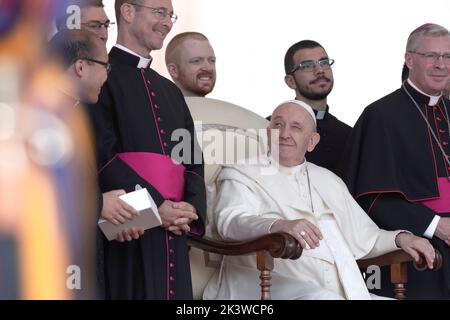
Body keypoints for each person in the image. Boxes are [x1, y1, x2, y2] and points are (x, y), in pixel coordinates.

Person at [203, 100, 435, 300]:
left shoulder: (328, 180)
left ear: (312, 141)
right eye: (278, 125)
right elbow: (230, 223)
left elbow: (364, 237)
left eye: (296, 127)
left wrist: (401, 238)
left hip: (336, 289)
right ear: (267, 133)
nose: (284, 134)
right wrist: (278, 226)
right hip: (265, 284)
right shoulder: (241, 173)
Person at [87, 0, 206, 300]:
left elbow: (191, 158)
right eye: (159, 13)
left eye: (170, 15)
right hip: (128, 228)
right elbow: (101, 154)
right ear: (128, 12)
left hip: (174, 230)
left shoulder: (169, 91)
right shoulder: (100, 78)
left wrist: (190, 209)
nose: (167, 22)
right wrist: (155, 205)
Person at [340, 23, 450, 299]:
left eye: (447, 57)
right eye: (431, 56)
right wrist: (437, 225)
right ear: (409, 59)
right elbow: (371, 198)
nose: (441, 65)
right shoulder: (380, 116)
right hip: (416, 247)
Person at [278, 40, 351, 176]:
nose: (319, 71)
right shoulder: (272, 131)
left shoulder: (349, 136)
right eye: (307, 66)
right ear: (291, 81)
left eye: (324, 63)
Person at [165, 32, 216, 97]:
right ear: (173, 70)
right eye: (196, 61)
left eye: (212, 60)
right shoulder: (157, 106)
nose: (208, 68)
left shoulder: (225, 107)